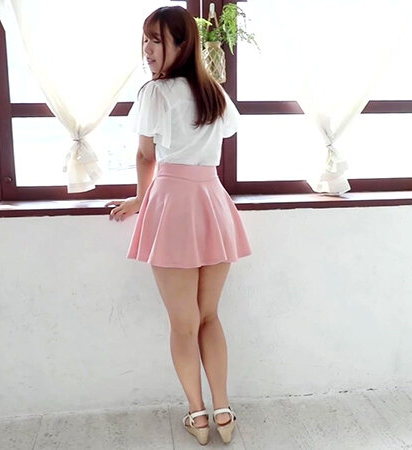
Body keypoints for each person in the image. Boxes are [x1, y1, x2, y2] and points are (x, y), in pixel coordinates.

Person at [106, 5, 251, 446]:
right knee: (209, 317)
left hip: (172, 203)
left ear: (182, 44)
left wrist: (140, 198)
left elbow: (146, 156)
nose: (147, 49)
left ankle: (199, 416)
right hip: (212, 202)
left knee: (184, 323)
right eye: (145, 40)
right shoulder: (214, 93)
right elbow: (223, 137)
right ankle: (224, 413)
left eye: (156, 40)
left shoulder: (156, 92)